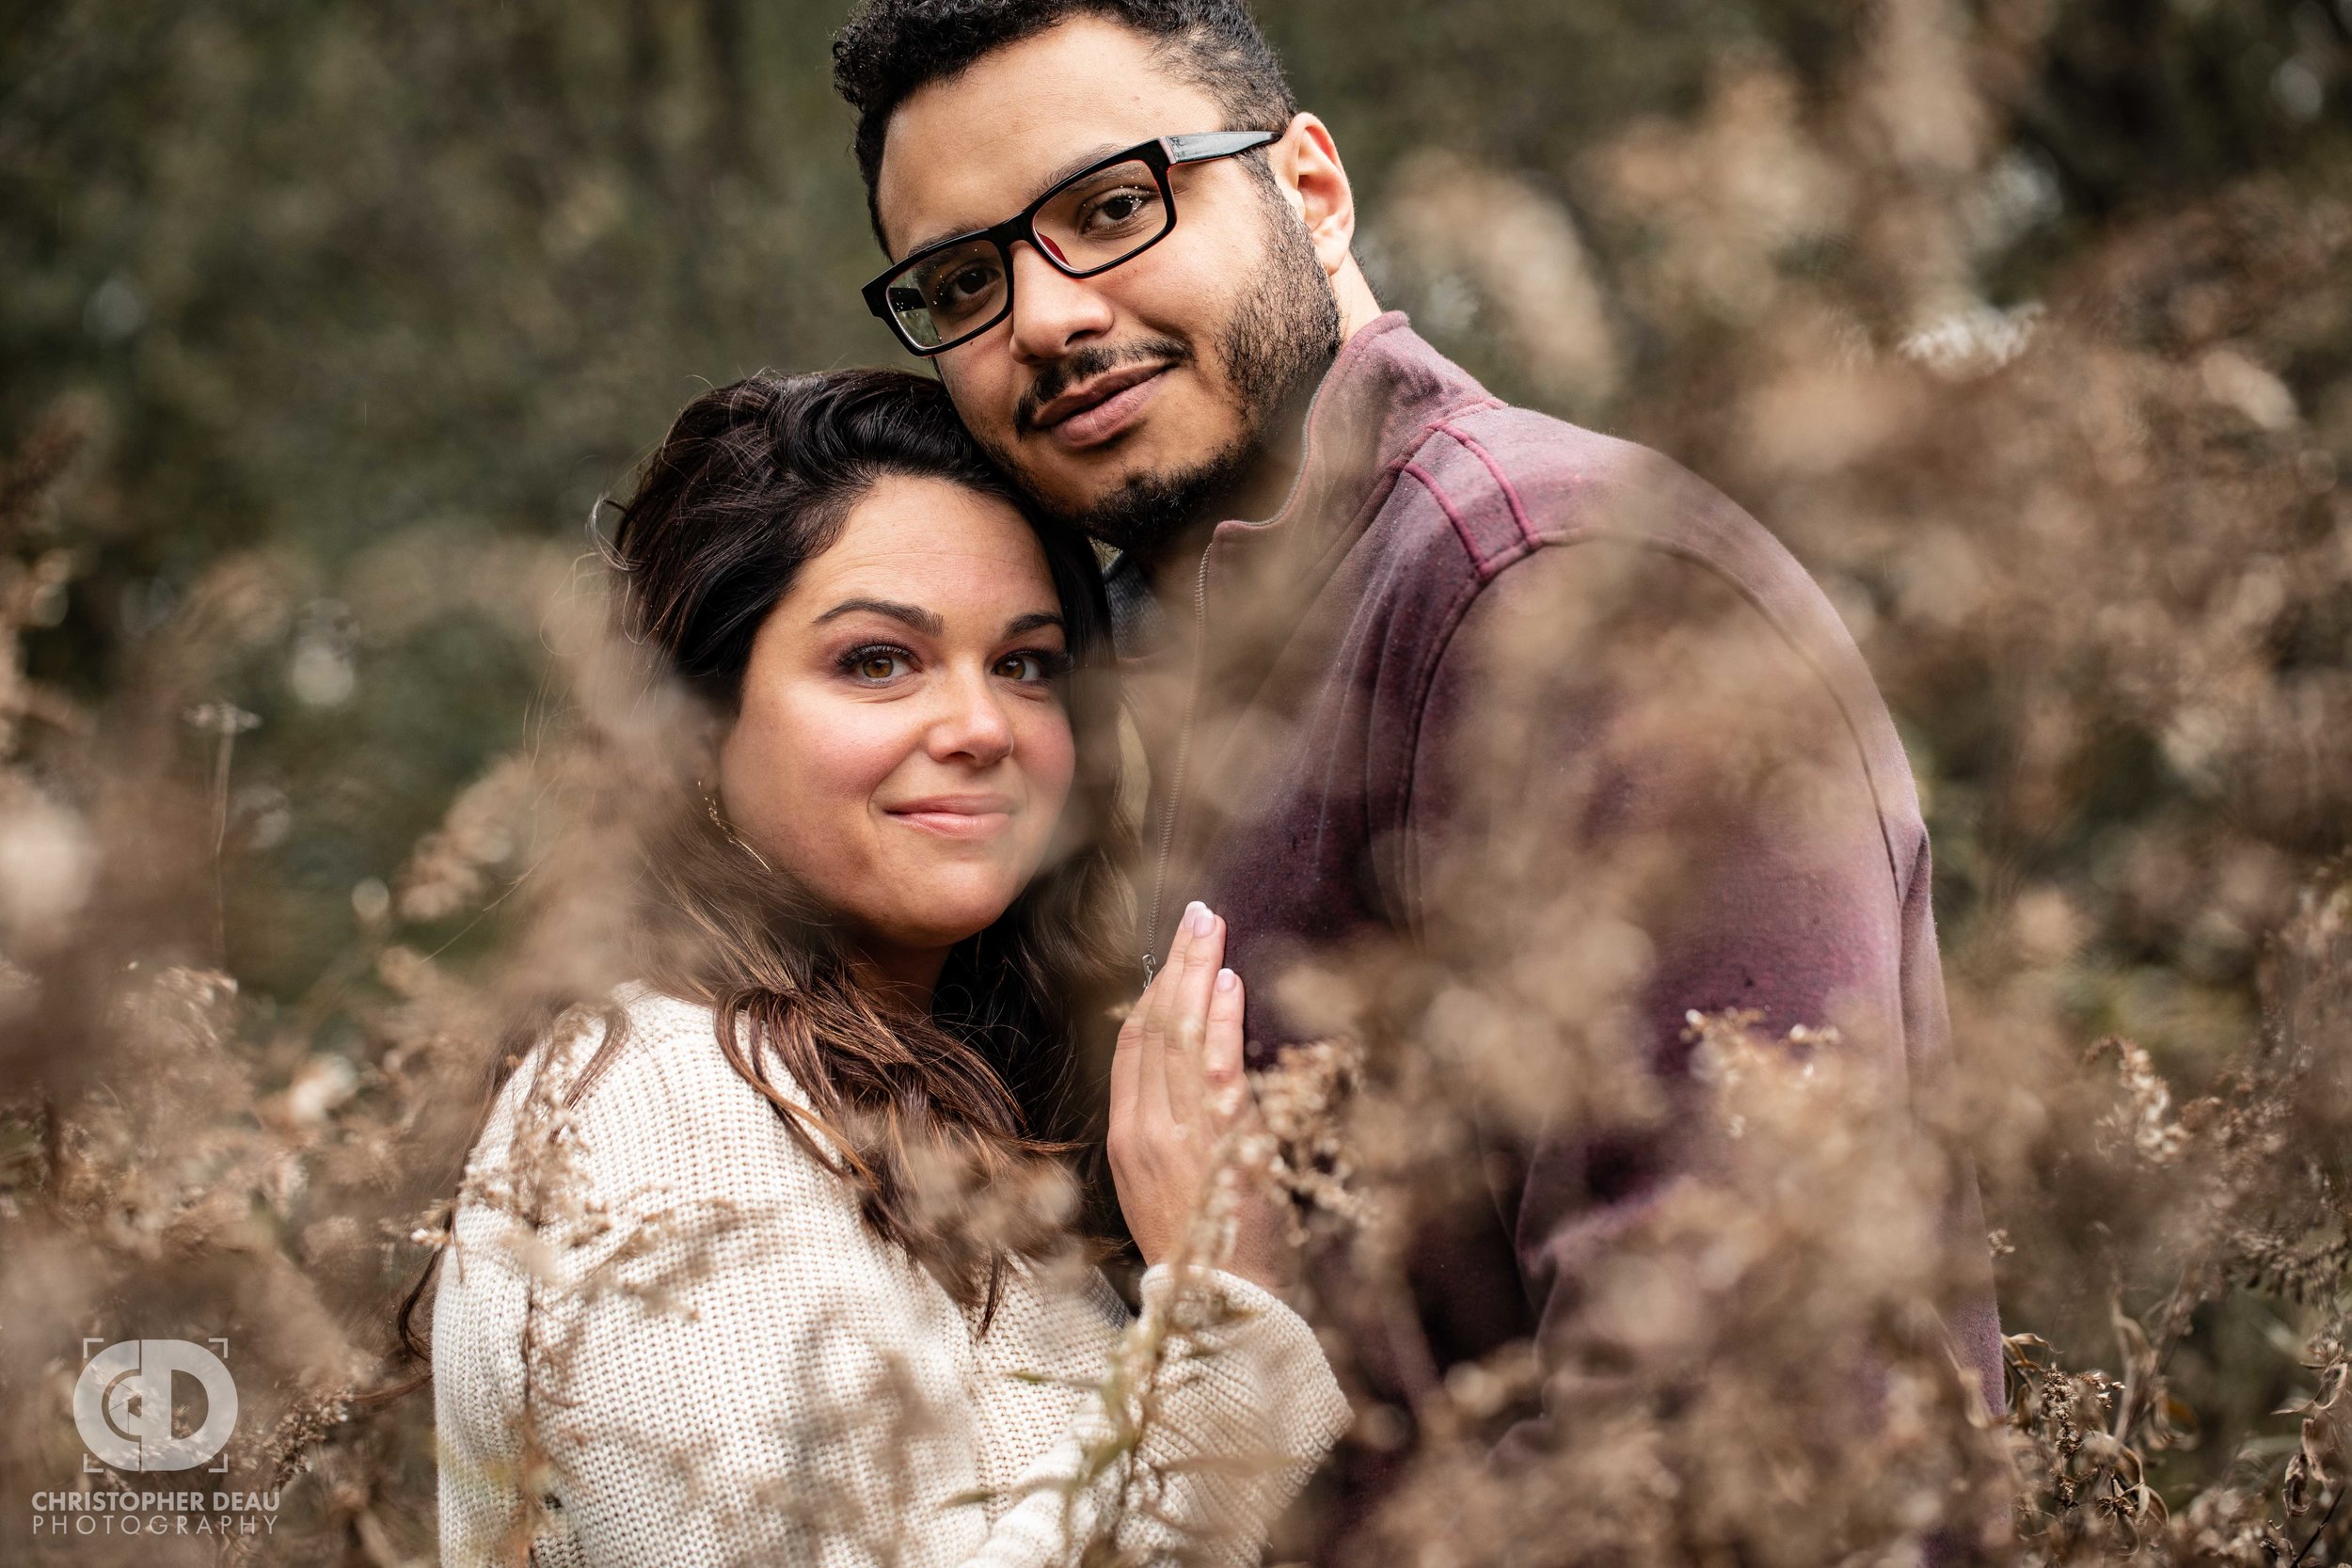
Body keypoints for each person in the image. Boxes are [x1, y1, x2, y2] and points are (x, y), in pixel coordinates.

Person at [831, 0, 2004, 1546]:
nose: (1044, 317)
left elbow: (1742, 1425)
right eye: (966, 281)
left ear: (1310, 190)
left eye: (1113, 206)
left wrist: (1234, 1334)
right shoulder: (1118, 688)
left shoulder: (1550, 587)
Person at [424, 369, 1349, 1566]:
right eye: (876, 661)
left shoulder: (916, 1093)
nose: (979, 725)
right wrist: (1219, 1318)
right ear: (694, 730)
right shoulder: (658, 1109)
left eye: (1026, 664)